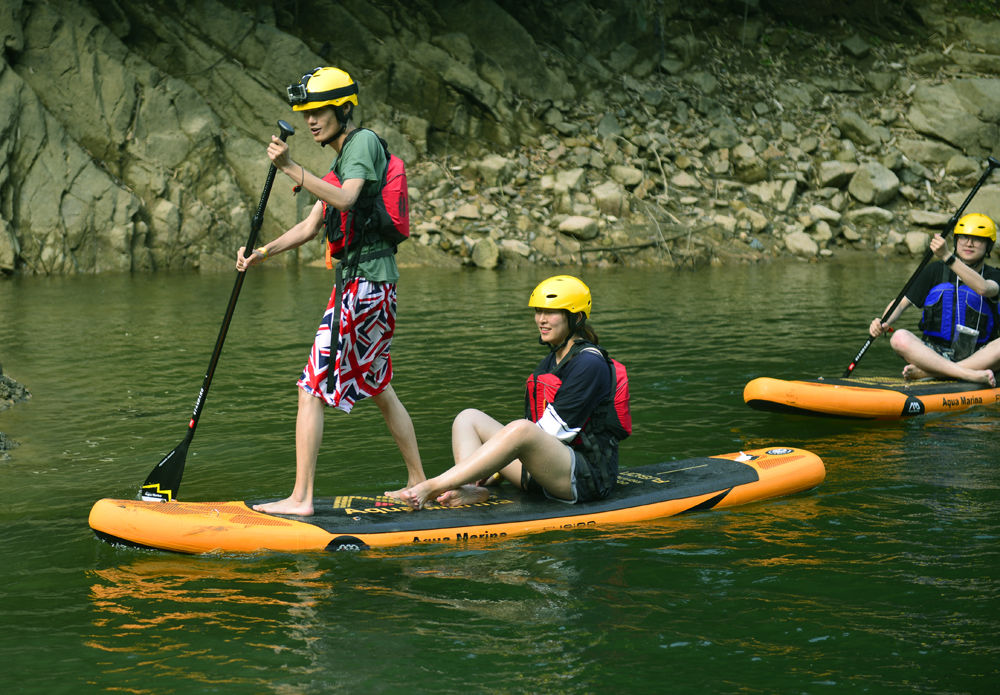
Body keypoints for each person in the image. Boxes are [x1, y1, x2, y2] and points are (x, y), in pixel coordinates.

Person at [236, 66, 424, 515]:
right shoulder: (341, 160)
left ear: (343, 109)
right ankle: (419, 481)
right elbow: (309, 225)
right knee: (379, 385)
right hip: (372, 287)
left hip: (363, 287)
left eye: (319, 111)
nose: (311, 121)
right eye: (306, 114)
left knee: (310, 388)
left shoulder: (361, 145)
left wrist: (289, 166)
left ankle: (301, 498)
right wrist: (260, 253)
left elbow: (347, 199)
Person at [400, 275, 628, 510]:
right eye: (538, 311)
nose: (541, 320)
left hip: (584, 479)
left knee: (522, 429)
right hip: (544, 470)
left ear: (576, 318)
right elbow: (534, 435)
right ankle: (468, 488)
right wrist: (496, 473)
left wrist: (493, 463)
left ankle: (433, 486)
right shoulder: (553, 360)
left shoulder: (589, 364)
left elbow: (546, 435)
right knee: (467, 419)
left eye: (551, 312)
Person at [869, 213, 1000, 386]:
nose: (969, 243)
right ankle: (965, 374)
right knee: (898, 338)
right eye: (964, 237)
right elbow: (901, 303)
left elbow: (983, 288)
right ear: (956, 240)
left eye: (977, 239)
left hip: (978, 355)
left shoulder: (995, 276)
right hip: (934, 353)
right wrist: (883, 321)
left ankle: (931, 373)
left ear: (988, 246)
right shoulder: (934, 271)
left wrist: (946, 256)